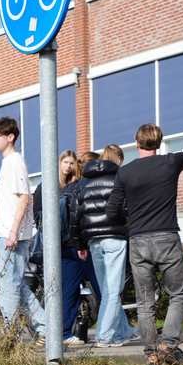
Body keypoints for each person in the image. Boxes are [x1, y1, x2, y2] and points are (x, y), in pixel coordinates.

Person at [105, 123, 183, 365]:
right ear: (159, 142)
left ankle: (150, 353)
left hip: (138, 241)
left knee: (144, 300)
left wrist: (131, 223)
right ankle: (168, 345)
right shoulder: (170, 163)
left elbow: (112, 211)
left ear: (136, 141)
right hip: (166, 238)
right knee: (179, 293)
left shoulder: (125, 173)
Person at [0, 116, 45, 340]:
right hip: (7, 233)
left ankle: (13, 334)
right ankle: (42, 326)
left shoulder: (15, 162)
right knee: (9, 282)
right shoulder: (8, 163)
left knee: (7, 284)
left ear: (10, 137)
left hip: (13, 235)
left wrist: (12, 231)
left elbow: (24, 197)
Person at [76, 144, 136, 346]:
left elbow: (79, 215)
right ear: (117, 159)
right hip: (114, 238)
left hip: (94, 241)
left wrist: (81, 242)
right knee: (113, 290)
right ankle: (104, 336)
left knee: (106, 288)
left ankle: (124, 331)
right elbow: (125, 209)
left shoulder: (86, 183)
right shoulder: (119, 180)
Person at [58, 151, 95, 344]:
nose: (69, 166)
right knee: (76, 289)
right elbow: (80, 219)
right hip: (77, 246)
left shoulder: (63, 190)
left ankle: (64, 331)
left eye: (71, 163)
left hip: (64, 245)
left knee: (68, 290)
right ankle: (64, 332)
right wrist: (81, 243)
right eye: (65, 162)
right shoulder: (78, 189)